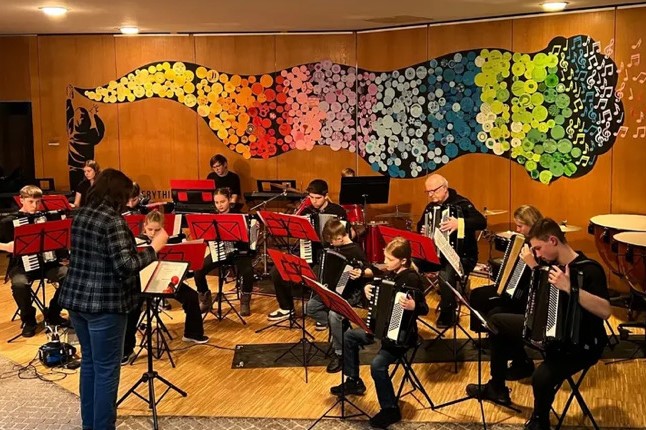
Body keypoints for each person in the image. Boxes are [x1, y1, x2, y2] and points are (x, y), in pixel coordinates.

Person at [466, 218, 611, 430]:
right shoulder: (548, 266)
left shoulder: (589, 270)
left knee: (541, 377)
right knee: (497, 322)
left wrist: (570, 288)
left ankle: (539, 420)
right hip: (547, 331)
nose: (537, 253)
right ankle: (497, 387)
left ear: (553, 240)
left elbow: (605, 311)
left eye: (538, 248)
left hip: (581, 344)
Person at [58, 168, 168, 430]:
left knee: (90, 364)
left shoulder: (81, 214)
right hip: (105, 304)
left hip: (77, 300)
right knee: (107, 369)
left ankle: (90, 425)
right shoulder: (113, 221)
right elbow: (125, 266)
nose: (127, 201)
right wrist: (154, 248)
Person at [329, 237, 429, 429]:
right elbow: (378, 287)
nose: (386, 262)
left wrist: (413, 306)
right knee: (349, 336)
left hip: (400, 336)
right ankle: (353, 380)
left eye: (390, 259)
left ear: (403, 261)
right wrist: (368, 288)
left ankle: (390, 409)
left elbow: (424, 308)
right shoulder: (392, 274)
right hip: (380, 329)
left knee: (377, 365)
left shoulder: (412, 279)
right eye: (386, 258)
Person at [122, 210, 207, 364]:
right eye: (150, 229)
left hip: (165, 280)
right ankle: (126, 350)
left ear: (163, 228)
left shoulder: (168, 241)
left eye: (157, 230)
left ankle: (192, 333)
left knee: (191, 296)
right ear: (144, 227)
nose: (153, 233)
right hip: (142, 282)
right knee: (132, 309)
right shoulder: (135, 242)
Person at [468, 204, 542, 379]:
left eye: (520, 226)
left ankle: (517, 360)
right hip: (520, 294)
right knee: (479, 297)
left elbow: (542, 281)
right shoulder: (524, 242)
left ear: (531, 224)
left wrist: (533, 264)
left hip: (533, 302)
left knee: (496, 313)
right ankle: (504, 349)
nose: (517, 229)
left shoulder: (541, 247)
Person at [267, 179, 347, 320]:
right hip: (308, 252)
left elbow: (345, 237)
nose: (314, 201)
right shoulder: (306, 211)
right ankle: (286, 308)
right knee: (277, 270)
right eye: (311, 197)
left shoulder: (338, 211)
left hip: (329, 256)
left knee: (319, 277)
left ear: (326, 196)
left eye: (318, 198)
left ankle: (322, 313)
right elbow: (296, 233)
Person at [416, 174, 486, 328]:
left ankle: (448, 312)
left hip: (462, 257)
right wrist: (422, 230)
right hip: (435, 256)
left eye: (433, 191)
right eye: (428, 192)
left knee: (446, 272)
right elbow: (420, 226)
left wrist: (459, 223)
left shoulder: (461, 204)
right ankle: (415, 303)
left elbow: (481, 222)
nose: (430, 195)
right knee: (411, 262)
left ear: (444, 188)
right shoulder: (430, 207)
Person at [306, 219, 373, 373]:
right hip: (331, 290)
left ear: (340, 238)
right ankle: (341, 332)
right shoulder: (333, 248)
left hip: (350, 292)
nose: (330, 244)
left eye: (332, 241)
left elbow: (371, 271)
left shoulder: (355, 250)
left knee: (334, 315)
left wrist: (361, 272)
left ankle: (340, 353)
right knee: (311, 307)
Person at [0, 185, 68, 337]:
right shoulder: (9, 221)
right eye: (31, 201)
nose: (35, 206)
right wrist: (6, 246)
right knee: (19, 284)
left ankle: (53, 312)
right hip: (21, 266)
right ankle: (29, 319)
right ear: (21, 200)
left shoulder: (48, 216)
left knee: (69, 276)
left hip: (49, 264)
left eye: (38, 202)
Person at [194, 187, 256, 316]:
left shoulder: (239, 215)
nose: (220, 205)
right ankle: (205, 299)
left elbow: (250, 234)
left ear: (229, 200)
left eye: (222, 201)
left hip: (239, 252)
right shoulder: (212, 217)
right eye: (216, 202)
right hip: (219, 250)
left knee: (248, 271)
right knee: (198, 270)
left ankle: (245, 301)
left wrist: (253, 229)